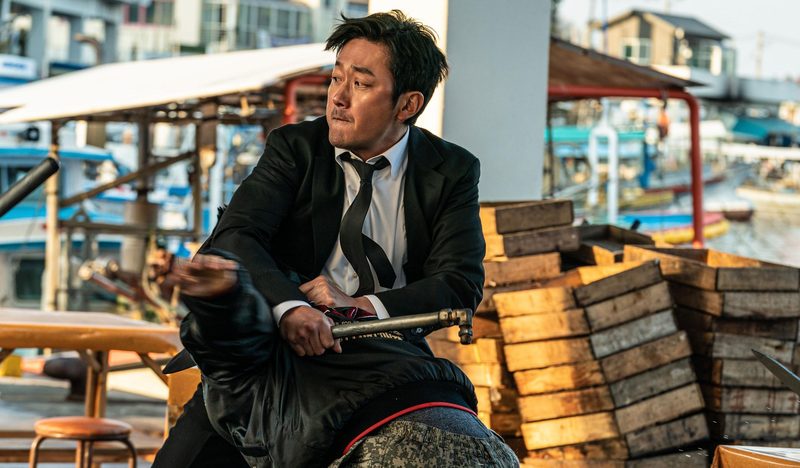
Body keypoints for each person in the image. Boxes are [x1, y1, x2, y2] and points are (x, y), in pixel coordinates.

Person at [153, 10, 516, 468]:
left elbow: (458, 284)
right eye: (336, 78)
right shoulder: (296, 148)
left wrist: (359, 306)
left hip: (381, 354)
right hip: (272, 355)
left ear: (407, 105)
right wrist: (292, 307)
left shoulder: (451, 170)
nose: (338, 98)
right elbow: (235, 236)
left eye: (360, 84)